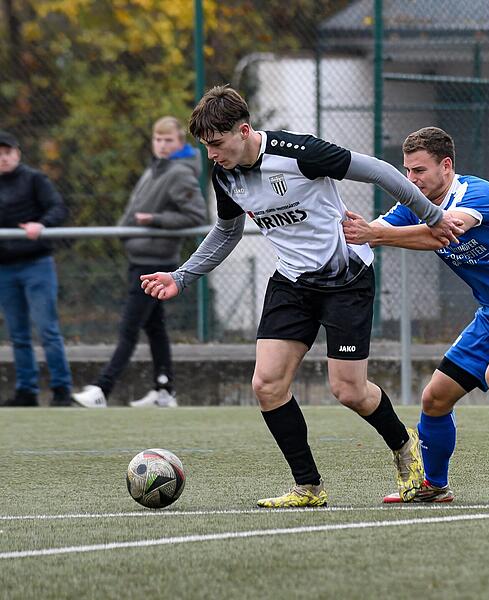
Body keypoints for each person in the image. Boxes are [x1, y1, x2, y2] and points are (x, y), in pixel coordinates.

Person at [139, 85, 464, 507]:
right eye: (206, 146)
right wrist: (181, 276)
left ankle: (405, 448)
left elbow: (380, 171)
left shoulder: (299, 152)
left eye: (217, 143)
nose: (212, 154)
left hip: (346, 277)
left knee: (349, 390)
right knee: (267, 385)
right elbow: (227, 232)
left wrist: (433, 216)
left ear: (243, 130)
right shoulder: (225, 174)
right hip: (292, 283)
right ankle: (308, 487)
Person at [343, 127, 489, 503]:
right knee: (435, 398)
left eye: (419, 170)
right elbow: (372, 231)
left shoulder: (476, 194)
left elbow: (442, 233)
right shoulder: (414, 203)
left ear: (446, 166)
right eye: (407, 171)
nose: (411, 179)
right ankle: (435, 486)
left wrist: (373, 235)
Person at [71, 117, 207, 409]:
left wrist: (155, 220)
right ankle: (164, 390)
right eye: (158, 139)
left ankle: (103, 388)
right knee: (155, 328)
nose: (162, 145)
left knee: (129, 328)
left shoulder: (179, 173)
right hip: (141, 258)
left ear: (180, 143)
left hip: (154, 263)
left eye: (168, 140)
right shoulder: (156, 169)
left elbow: (197, 216)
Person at [0, 130, 72, 407]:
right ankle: (26, 392)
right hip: (5, 269)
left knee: (47, 330)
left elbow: (58, 208)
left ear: (17, 153)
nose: (3, 158)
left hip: (36, 264)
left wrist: (41, 224)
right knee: (18, 334)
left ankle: (61, 390)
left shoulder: (34, 179)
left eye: (7, 152)